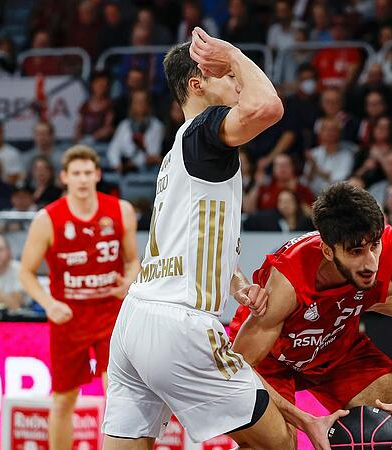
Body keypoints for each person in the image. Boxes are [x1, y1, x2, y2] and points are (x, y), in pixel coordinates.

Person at [101, 28, 296, 450]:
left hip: (134, 321)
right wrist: (234, 53)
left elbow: (190, 240)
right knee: (279, 443)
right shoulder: (206, 129)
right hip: (179, 325)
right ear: (198, 84)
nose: (237, 83)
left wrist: (236, 282)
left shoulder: (177, 151)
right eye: (226, 76)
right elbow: (268, 107)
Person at [229, 183, 392, 450]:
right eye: (356, 252)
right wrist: (306, 421)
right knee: (279, 445)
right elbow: (240, 364)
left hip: (336, 348)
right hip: (268, 360)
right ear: (328, 251)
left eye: (374, 245)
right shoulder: (288, 281)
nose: (370, 263)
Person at [19, 146, 140, 450]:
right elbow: (25, 272)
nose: (83, 179)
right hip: (69, 318)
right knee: (63, 399)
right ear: (64, 178)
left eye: (88, 173)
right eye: (76, 174)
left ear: (98, 175)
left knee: (117, 395)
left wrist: (129, 281)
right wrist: (48, 303)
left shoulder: (121, 210)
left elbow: (132, 261)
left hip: (110, 314)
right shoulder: (47, 219)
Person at [107, 90, 165, 173]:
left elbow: (153, 153)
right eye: (136, 102)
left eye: (142, 102)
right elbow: (113, 149)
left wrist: (134, 163)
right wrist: (117, 164)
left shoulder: (156, 126)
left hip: (147, 170)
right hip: (124, 169)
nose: (140, 105)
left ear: (148, 105)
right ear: (132, 105)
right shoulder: (124, 125)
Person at [303, 118, 356, 194]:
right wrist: (311, 166)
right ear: (320, 133)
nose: (329, 133)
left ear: (339, 133)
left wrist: (315, 166)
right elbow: (307, 180)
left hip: (335, 197)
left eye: (333, 130)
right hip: (312, 197)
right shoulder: (314, 153)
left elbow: (337, 181)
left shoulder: (346, 156)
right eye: (325, 130)